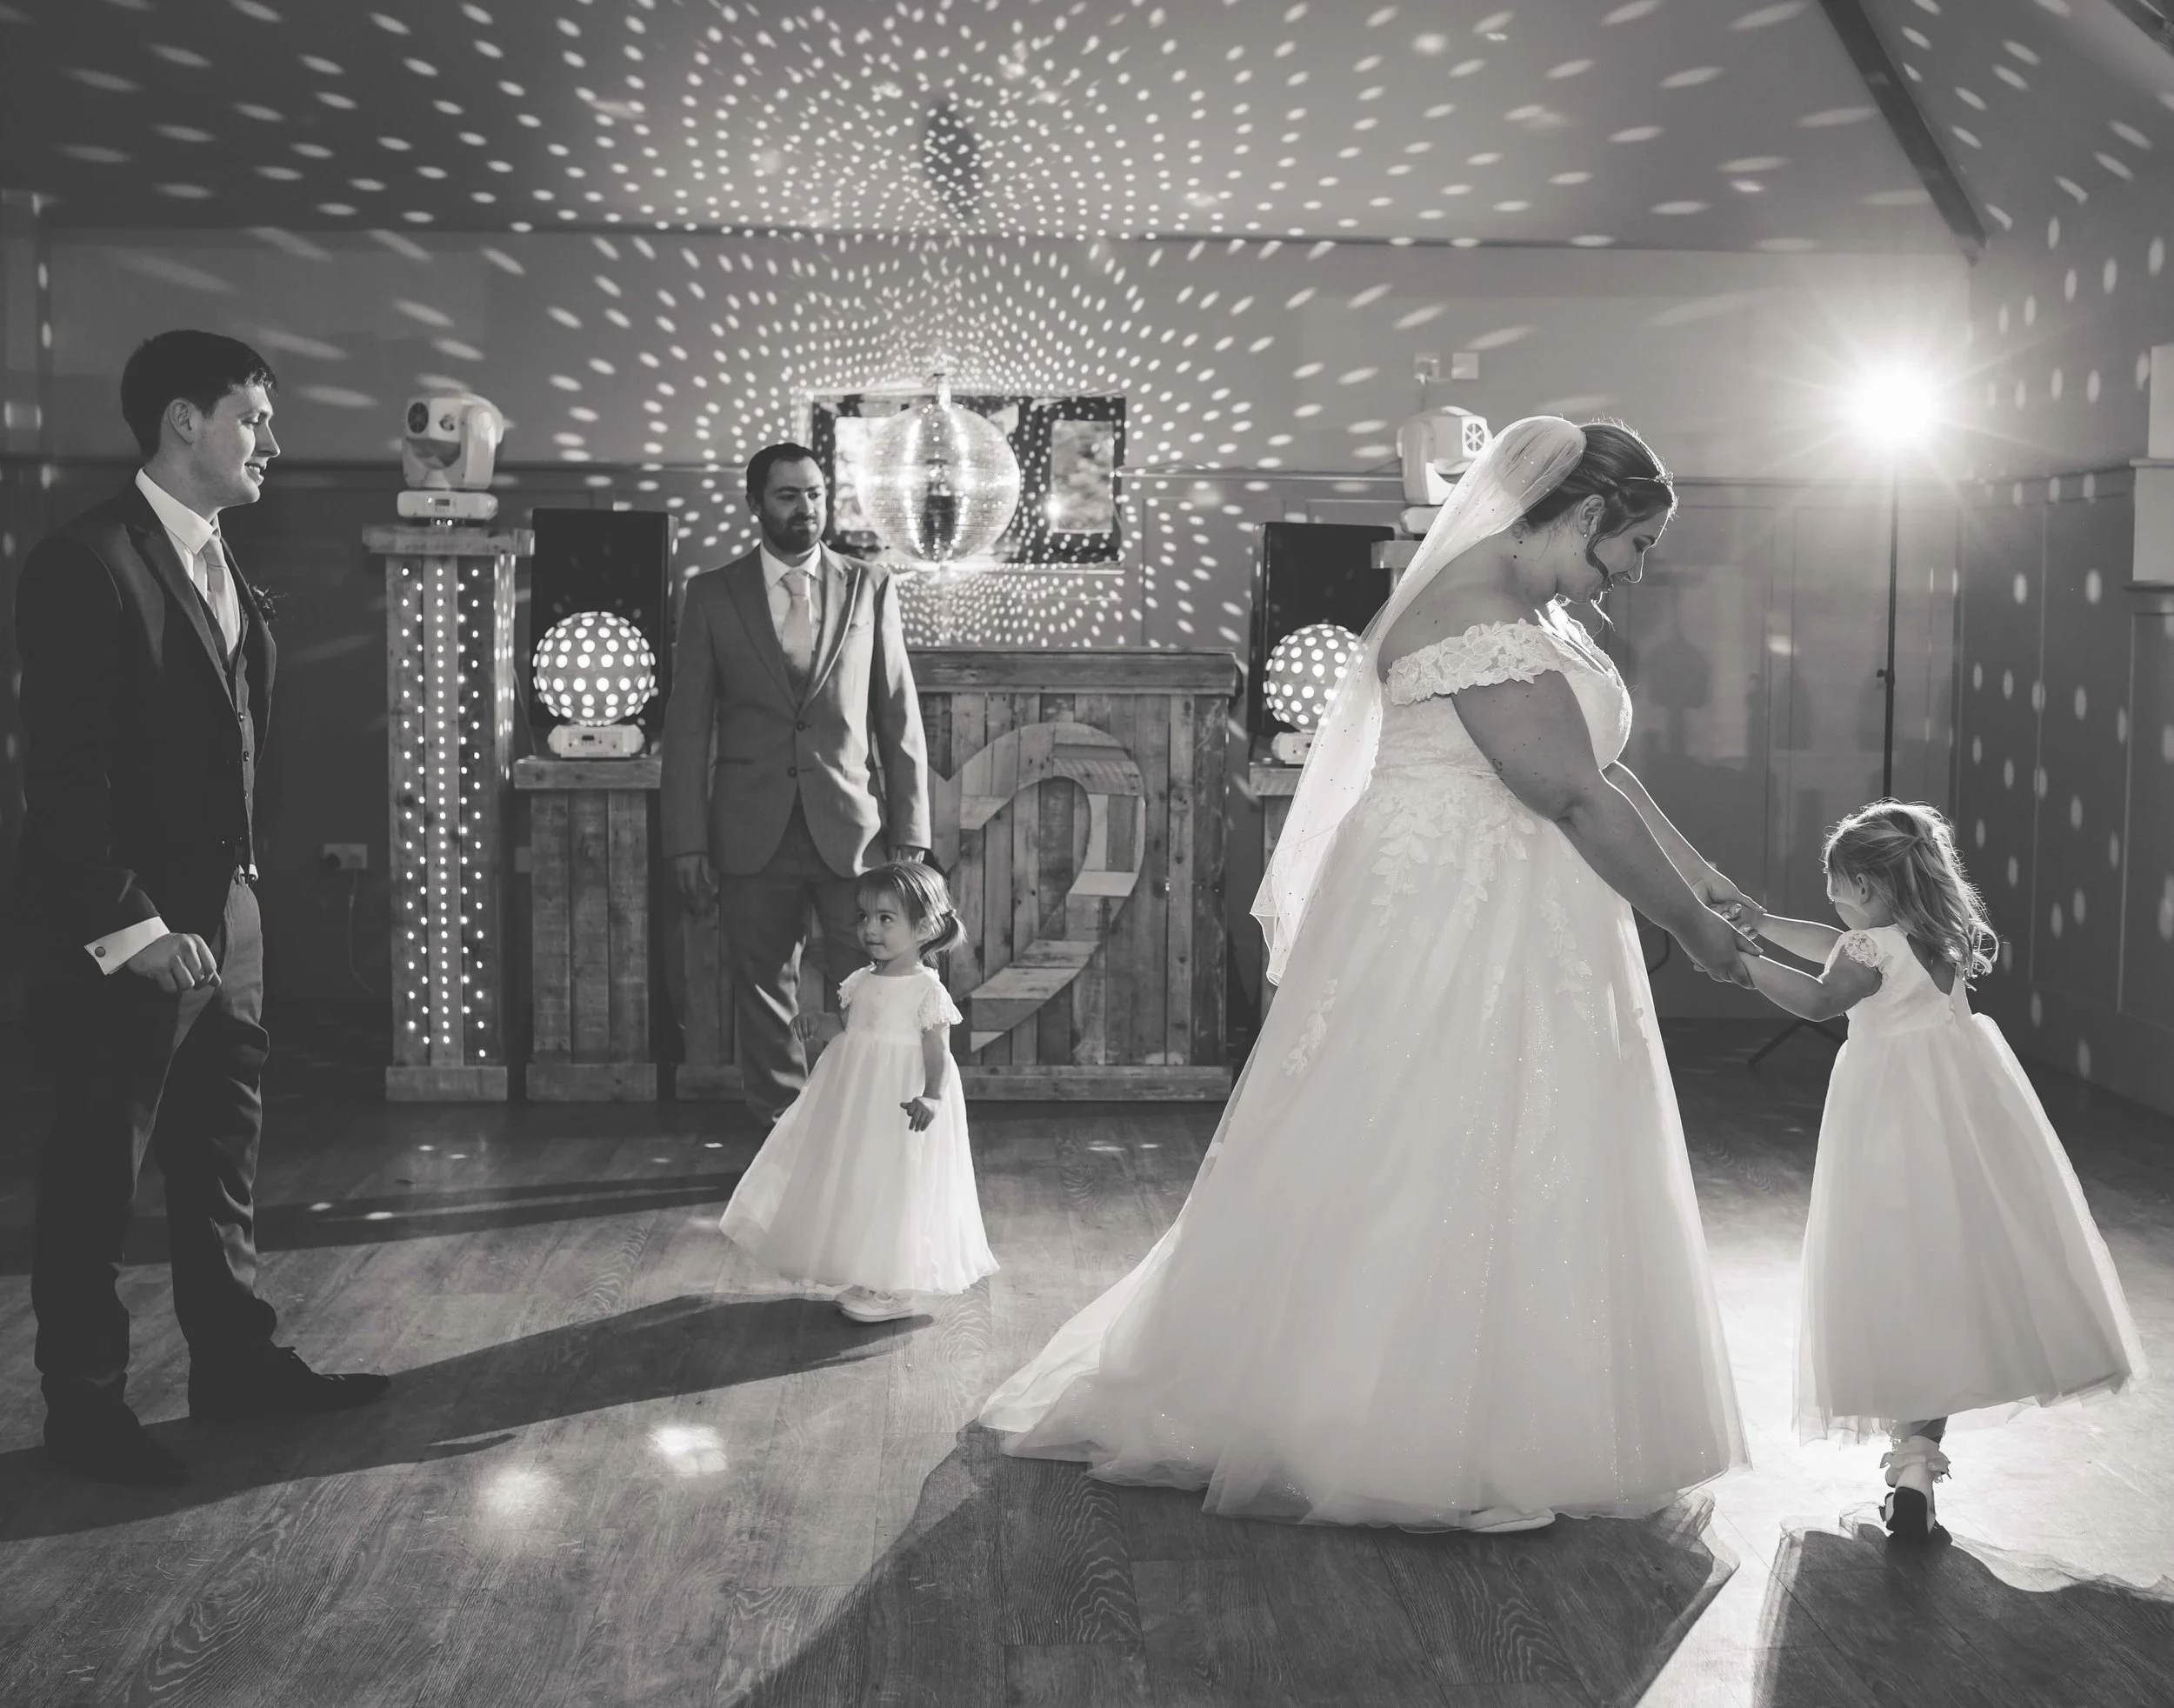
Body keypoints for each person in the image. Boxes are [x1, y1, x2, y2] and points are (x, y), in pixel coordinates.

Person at [981, 417, 1758, 1531]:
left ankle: (1524, 1409)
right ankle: (1401, 1426)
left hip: (1530, 909)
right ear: (1584, 515)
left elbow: (1604, 774)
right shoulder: (1471, 617)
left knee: (1528, 1138)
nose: (1629, 576)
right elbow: (1571, 797)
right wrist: (1692, 929)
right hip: (1451, 915)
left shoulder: (1537, 611)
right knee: (1433, 1138)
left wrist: (1715, 886)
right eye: (1627, 548)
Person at [15, 330, 390, 1488]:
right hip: (127, 935)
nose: (271, 440)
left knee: (223, 1156)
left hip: (233, 918)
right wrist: (129, 928)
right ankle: (84, 1413)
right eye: (252, 417)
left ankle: (236, 1366)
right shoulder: (85, 562)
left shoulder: (227, 560)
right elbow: (66, 775)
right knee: (93, 1175)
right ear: (185, 423)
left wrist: (241, 907)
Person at [1727, 800, 2144, 1543]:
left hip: (1888, 1123)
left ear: (1869, 884)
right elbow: (1838, 943)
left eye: (1837, 884)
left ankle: (1910, 1469)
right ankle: (1918, 1463)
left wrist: (1742, 964)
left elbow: (1823, 995)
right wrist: (1762, 922)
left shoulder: (1869, 951)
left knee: (1895, 1271)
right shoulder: (1931, 936)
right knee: (1949, 1271)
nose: (1831, 897)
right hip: (1959, 1119)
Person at [661, 442, 932, 1127]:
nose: (805, 508)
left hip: (854, 833)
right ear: (755, 504)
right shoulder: (712, 594)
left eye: (814, 493)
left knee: (871, 990)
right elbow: (688, 731)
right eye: (788, 495)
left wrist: (914, 836)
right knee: (763, 993)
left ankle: (864, 1128)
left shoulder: (870, 585)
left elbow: (898, 719)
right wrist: (685, 843)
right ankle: (781, 1136)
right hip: (750, 830)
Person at [718, 862, 996, 1324]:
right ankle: (869, 1270)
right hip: (858, 1098)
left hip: (901, 1100)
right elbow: (849, 1027)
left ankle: (894, 1287)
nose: (870, 929)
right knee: (863, 1179)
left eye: (886, 919)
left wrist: (932, 1096)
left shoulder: (926, 989)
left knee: (897, 1184)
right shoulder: (863, 980)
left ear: (924, 927)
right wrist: (817, 1023)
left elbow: (937, 1053)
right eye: (864, 917)